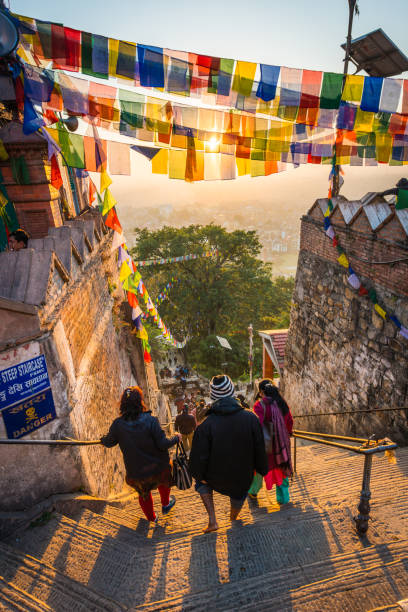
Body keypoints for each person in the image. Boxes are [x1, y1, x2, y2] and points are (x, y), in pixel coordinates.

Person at [189, 374, 268, 533]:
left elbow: (198, 456)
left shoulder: (206, 425)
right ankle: (233, 517)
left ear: (213, 396)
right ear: (232, 391)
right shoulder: (251, 418)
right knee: (240, 493)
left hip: (214, 477)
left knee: (200, 483)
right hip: (242, 477)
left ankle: (213, 520)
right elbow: (259, 448)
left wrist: (199, 475)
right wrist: (261, 469)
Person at [101, 386, 181, 523]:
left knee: (144, 494)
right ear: (140, 401)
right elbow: (163, 444)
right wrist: (176, 438)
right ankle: (165, 504)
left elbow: (109, 442)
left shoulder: (117, 425)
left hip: (137, 473)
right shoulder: (151, 420)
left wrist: (102, 439)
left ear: (123, 404)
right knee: (164, 481)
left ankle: (152, 519)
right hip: (158, 468)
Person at [248, 379, 293, 504]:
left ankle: (253, 491)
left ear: (262, 392)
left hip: (265, 445)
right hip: (281, 444)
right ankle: (283, 498)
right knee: (281, 468)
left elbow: (257, 424)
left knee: (259, 468)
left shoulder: (259, 405)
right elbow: (289, 421)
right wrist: (286, 434)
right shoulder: (282, 403)